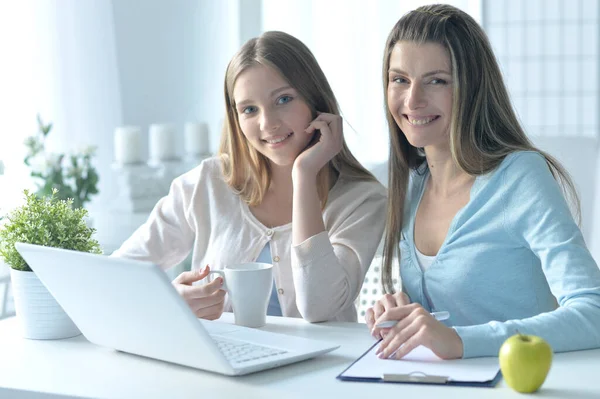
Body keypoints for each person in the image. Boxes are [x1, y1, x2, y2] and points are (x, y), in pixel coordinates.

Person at [365, 4, 600, 359]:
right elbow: (445, 321)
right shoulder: (411, 184)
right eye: (400, 79)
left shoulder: (520, 176)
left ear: (471, 88)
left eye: (437, 80)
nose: (412, 100)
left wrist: (460, 341)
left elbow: (593, 312)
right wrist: (402, 316)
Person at [113, 31, 387, 323]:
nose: (267, 123)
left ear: (315, 100)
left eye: (283, 99)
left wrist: (304, 175)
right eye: (249, 109)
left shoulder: (362, 199)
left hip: (322, 368)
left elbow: (320, 309)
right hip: (221, 364)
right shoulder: (209, 182)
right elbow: (116, 275)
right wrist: (170, 300)